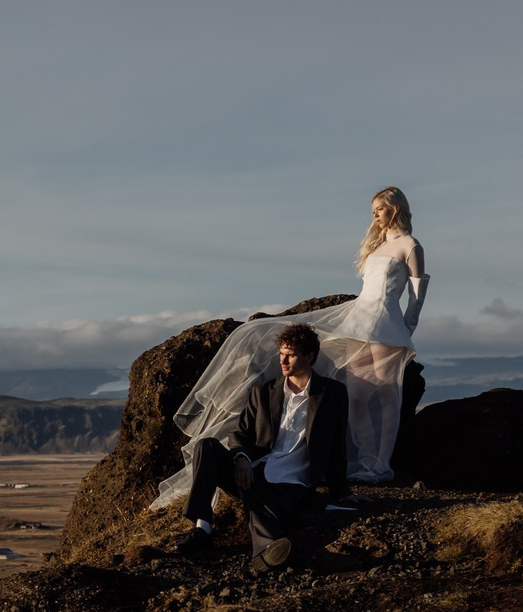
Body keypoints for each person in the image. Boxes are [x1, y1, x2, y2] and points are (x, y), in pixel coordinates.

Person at [152, 187, 429, 509]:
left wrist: (410, 323)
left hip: (388, 323)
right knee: (357, 395)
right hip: (360, 318)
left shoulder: (410, 245)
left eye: (380, 209)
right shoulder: (378, 245)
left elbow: (417, 288)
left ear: (396, 209)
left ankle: (381, 465)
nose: (376, 216)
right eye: (373, 211)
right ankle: (368, 461)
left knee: (387, 395)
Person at [172, 322, 351, 573]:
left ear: (310, 356)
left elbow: (336, 443)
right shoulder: (263, 392)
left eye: (290, 355)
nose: (283, 360)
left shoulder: (332, 393)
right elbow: (241, 434)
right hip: (253, 468)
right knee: (207, 446)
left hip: (292, 479)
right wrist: (242, 458)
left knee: (260, 500)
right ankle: (203, 527)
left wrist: (340, 491)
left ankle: (265, 555)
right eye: (281, 354)